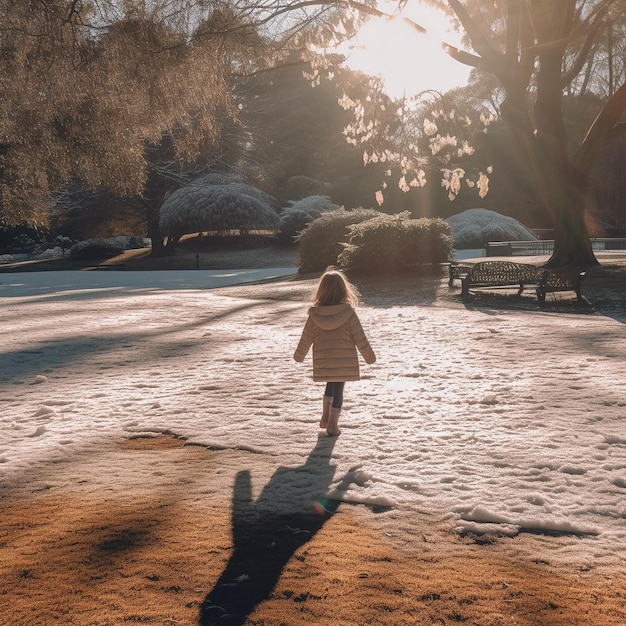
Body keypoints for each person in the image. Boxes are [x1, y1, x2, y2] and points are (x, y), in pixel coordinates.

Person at [294, 268, 376, 436]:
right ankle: (333, 424)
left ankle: (325, 416)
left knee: (330, 383)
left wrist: (299, 356)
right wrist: (369, 357)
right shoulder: (348, 313)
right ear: (343, 289)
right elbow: (360, 337)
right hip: (344, 360)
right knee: (339, 387)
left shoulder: (315, 315)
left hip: (324, 359)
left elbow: (306, 338)